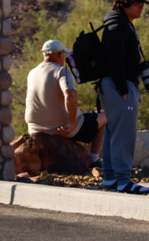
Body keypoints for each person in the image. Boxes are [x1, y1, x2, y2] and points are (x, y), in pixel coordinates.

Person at [99, 0, 149, 194]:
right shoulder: (118, 26)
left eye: (142, 4)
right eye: (137, 4)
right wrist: (122, 87)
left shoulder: (118, 23)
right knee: (124, 133)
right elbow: (114, 60)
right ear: (125, 4)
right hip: (118, 86)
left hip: (112, 85)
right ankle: (123, 180)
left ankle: (111, 178)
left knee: (114, 130)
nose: (141, 7)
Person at [24, 39, 106, 167]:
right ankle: (94, 160)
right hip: (61, 129)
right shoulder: (61, 71)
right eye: (64, 54)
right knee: (106, 116)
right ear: (59, 54)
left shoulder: (32, 73)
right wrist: (72, 122)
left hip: (35, 129)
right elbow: (70, 94)